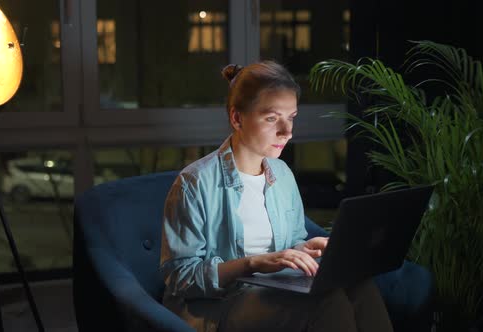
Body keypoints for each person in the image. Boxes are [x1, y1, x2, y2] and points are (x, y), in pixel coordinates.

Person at [159, 60, 393, 332]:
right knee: (329, 303)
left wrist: (300, 250)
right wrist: (252, 263)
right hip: (220, 302)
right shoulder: (194, 183)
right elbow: (180, 277)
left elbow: (285, 246)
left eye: (291, 117)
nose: (287, 131)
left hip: (273, 290)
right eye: (272, 118)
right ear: (237, 118)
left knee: (360, 286)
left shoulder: (281, 173)